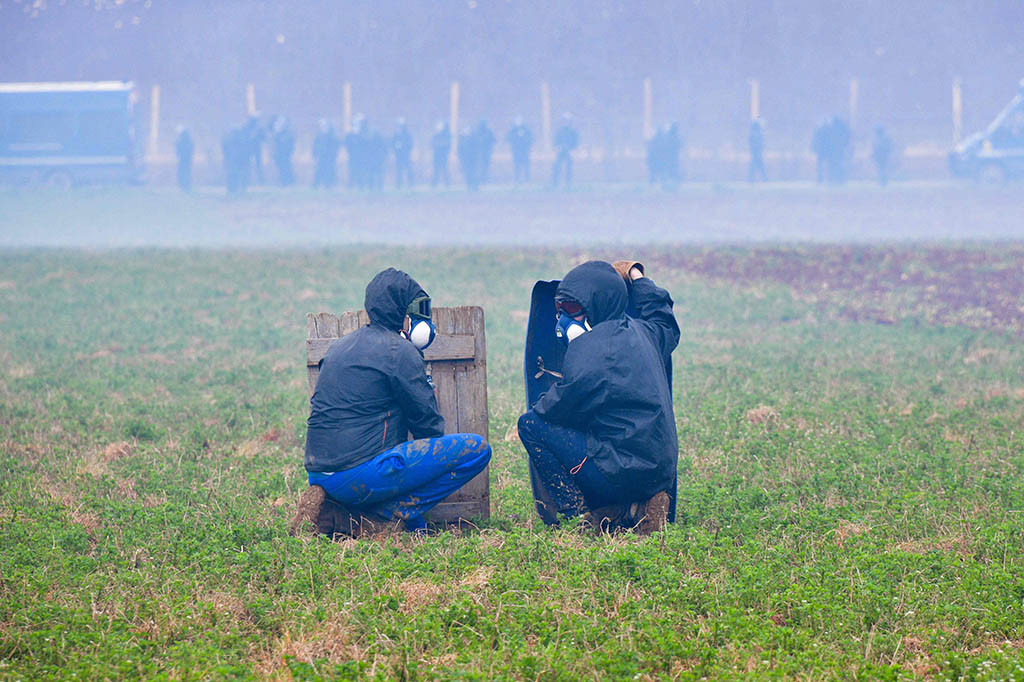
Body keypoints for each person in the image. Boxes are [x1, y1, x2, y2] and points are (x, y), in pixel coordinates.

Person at [291, 268, 492, 538]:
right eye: (418, 309)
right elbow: (428, 428)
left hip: (319, 475)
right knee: (476, 450)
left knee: (397, 460)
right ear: (404, 314)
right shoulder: (400, 351)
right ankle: (382, 517)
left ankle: (339, 513)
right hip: (361, 475)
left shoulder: (338, 347)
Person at [517, 260, 679, 534]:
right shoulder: (646, 331)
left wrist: (548, 395)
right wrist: (637, 276)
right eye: (560, 309)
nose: (562, 318)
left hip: (624, 471)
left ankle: (581, 514)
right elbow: (662, 315)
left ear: (597, 304)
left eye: (571, 309)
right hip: (660, 472)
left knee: (530, 425)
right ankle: (639, 505)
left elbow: (555, 409)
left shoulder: (588, 351)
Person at [550, 112, 579, 187]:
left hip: (569, 152)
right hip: (560, 151)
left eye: (567, 121)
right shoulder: (559, 131)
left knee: (569, 168)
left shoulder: (573, 132)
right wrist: (557, 147)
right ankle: (555, 182)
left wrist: (572, 149)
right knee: (557, 166)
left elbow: (575, 142)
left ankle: (568, 183)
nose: (566, 122)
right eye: (564, 121)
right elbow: (555, 141)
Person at [312, 119, 341, 188]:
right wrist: (315, 153)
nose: (323, 128)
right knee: (319, 170)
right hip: (321, 157)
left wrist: (333, 154)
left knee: (329, 171)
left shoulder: (333, 136)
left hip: (330, 158)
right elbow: (315, 146)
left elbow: (336, 147)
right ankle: (316, 184)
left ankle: (329, 184)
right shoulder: (319, 136)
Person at [270, 115, 296, 186]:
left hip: (284, 154)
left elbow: (289, 144)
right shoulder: (277, 133)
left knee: (285, 168)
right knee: (282, 168)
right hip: (278, 154)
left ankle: (287, 182)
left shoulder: (287, 133)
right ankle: (285, 181)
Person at [506, 117, 533, 183]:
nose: (518, 122)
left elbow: (531, 138)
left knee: (526, 165)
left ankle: (527, 179)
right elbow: (509, 138)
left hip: (525, 151)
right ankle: (517, 178)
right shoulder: (513, 130)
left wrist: (525, 141)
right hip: (516, 151)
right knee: (517, 166)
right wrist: (516, 141)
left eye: (519, 121)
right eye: (517, 121)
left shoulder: (526, 130)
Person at [392, 118, 414, 188]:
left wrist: (404, 145)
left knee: (408, 170)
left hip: (406, 155)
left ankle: (410, 184)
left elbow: (410, 144)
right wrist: (396, 147)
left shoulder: (407, 134)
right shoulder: (396, 134)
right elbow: (392, 143)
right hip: (398, 155)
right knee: (399, 170)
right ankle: (399, 184)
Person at [430, 120, 451, 187]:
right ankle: (435, 183)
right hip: (436, 155)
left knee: (444, 169)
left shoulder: (446, 136)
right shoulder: (436, 136)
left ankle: (447, 183)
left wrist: (441, 148)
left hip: (443, 155)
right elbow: (432, 144)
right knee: (436, 169)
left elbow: (447, 145)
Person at [174, 125, 194, 192]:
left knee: (183, 171)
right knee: (186, 171)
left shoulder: (182, 140)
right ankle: (185, 185)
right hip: (187, 159)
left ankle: (183, 185)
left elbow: (180, 149)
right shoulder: (188, 139)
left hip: (183, 159)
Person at [748, 118, 766, 182]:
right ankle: (765, 178)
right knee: (759, 166)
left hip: (756, 152)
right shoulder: (756, 134)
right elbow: (758, 144)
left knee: (754, 166)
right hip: (757, 152)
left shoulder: (753, 133)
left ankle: (750, 179)